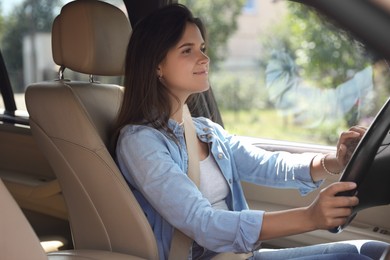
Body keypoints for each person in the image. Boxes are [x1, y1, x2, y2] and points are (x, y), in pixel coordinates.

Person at [112, 3, 389, 260]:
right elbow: (202, 223)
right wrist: (310, 217)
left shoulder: (205, 130)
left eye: (203, 47)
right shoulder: (140, 142)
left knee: (374, 250)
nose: (204, 58)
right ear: (157, 65)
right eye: (188, 50)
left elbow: (268, 164)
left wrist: (335, 161)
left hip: (238, 255)